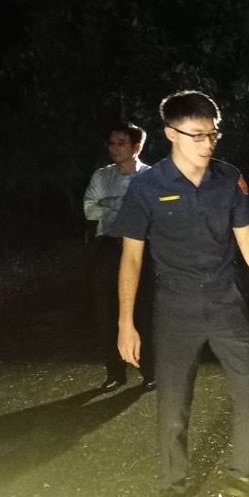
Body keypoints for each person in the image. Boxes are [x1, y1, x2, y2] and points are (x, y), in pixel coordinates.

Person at [113, 91, 249, 497]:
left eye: (213, 134)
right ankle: (173, 485)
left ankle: (241, 474)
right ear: (171, 134)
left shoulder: (228, 178)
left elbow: (247, 238)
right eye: (198, 136)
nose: (209, 144)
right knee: (173, 402)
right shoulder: (146, 187)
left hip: (226, 298)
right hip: (176, 304)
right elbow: (131, 257)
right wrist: (125, 323)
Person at [83, 121, 154, 391]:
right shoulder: (102, 176)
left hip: (143, 250)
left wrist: (111, 204)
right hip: (109, 246)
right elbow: (90, 208)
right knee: (106, 310)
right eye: (111, 143)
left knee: (145, 310)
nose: (114, 148)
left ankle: (150, 370)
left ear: (136, 147)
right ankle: (114, 372)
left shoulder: (150, 177)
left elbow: (154, 213)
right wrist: (122, 207)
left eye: (120, 143)